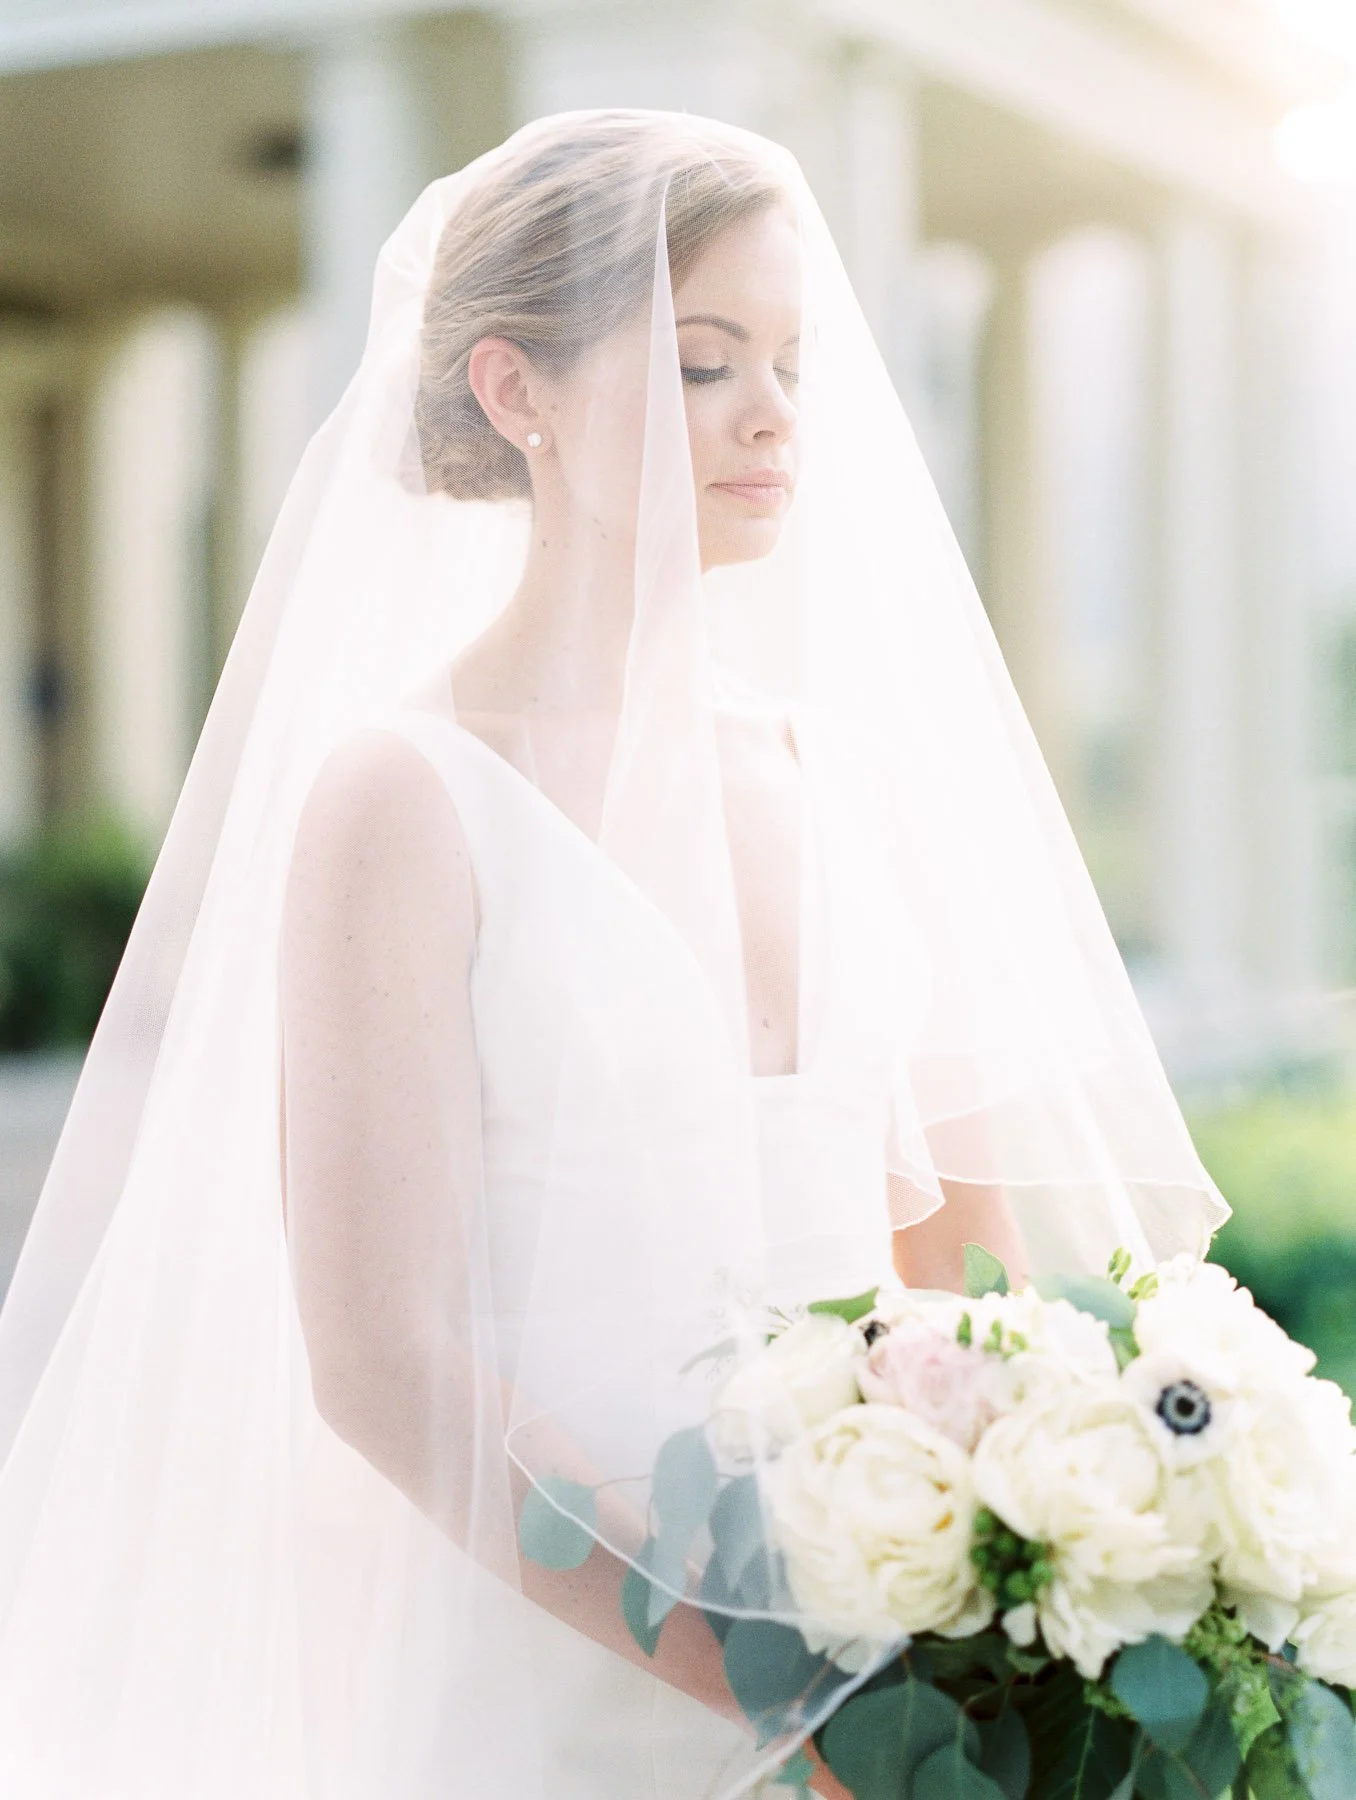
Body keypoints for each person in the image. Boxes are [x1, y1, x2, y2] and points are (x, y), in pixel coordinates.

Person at [0, 112, 1225, 1798]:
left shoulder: (847, 783)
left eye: (792, 361)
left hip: (899, 1689)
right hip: (554, 1680)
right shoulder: (405, 797)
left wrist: (1013, 1627)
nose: (774, 412)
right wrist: (775, 1688)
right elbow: (384, 1363)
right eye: (706, 361)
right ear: (520, 392)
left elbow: (964, 1265)